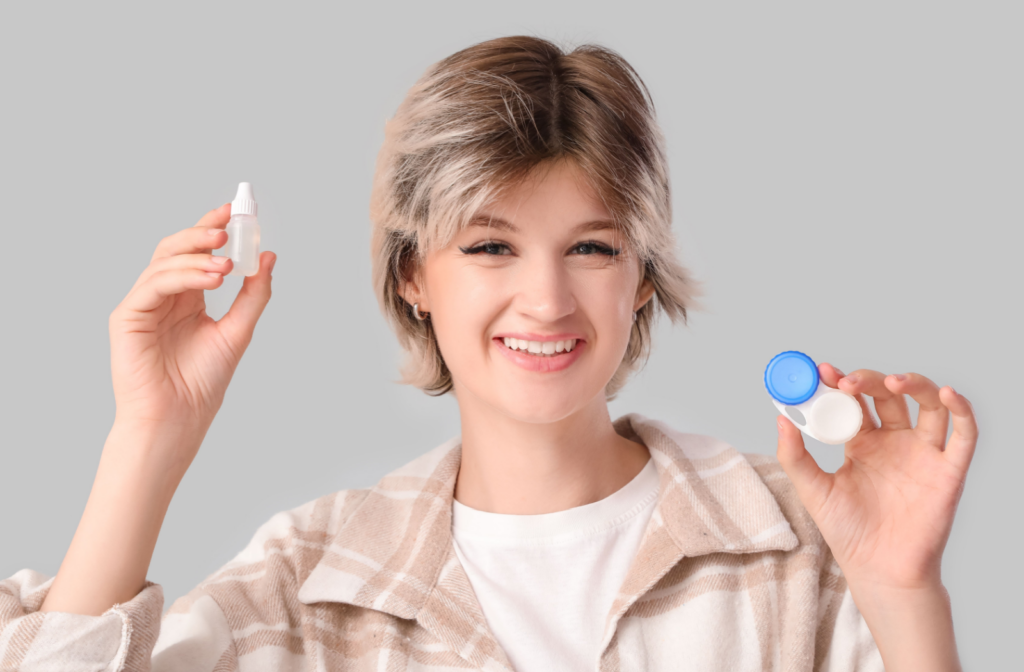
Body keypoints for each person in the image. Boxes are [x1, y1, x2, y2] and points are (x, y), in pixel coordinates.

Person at [0, 36, 976, 672]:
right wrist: (149, 440)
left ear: (641, 274)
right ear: (413, 276)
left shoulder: (790, 543)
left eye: (590, 248)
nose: (546, 299)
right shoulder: (316, 584)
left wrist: (901, 592)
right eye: (489, 246)